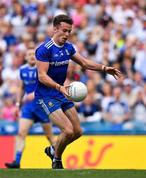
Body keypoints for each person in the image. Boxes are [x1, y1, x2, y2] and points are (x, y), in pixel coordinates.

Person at [35, 14, 122, 169]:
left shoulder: (68, 47)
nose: (67, 34)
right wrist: (59, 87)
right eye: (64, 30)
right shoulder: (44, 50)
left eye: (69, 31)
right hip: (46, 95)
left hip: (62, 92)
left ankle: (53, 149)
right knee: (67, 130)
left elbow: (84, 62)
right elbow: (41, 76)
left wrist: (104, 68)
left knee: (78, 131)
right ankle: (57, 160)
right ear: (55, 29)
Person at [5, 45, 55, 168]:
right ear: (25, 57)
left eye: (34, 54)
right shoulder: (22, 70)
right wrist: (17, 104)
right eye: (29, 54)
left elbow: (49, 84)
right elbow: (21, 88)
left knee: (49, 136)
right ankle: (16, 161)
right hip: (28, 107)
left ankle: (57, 159)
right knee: (21, 133)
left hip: (42, 105)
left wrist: (35, 93)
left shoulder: (42, 68)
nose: (32, 56)